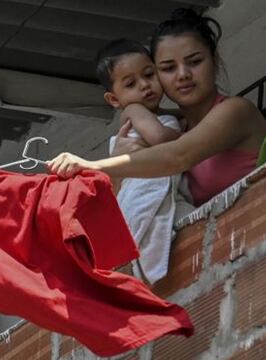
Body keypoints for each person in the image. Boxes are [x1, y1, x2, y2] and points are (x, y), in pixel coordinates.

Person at [49, 8, 266, 208]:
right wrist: (118, 162)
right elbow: (122, 203)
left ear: (215, 60)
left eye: (194, 61)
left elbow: (178, 156)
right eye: (168, 68)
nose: (183, 74)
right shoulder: (174, 127)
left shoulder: (236, 111)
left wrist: (91, 165)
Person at [94, 38, 191, 284]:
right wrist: (186, 136)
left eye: (149, 74)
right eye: (131, 84)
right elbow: (159, 137)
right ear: (114, 100)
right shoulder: (134, 111)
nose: (145, 86)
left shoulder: (155, 114)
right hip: (140, 191)